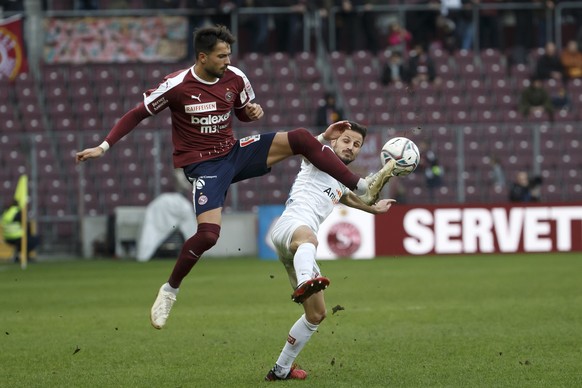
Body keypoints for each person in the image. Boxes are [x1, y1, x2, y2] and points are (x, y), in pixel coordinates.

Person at [74, 24, 393, 330]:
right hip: (203, 166)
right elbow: (135, 114)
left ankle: (362, 184)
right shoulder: (176, 86)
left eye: (229, 55)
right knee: (209, 235)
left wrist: (251, 112)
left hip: (234, 153)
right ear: (202, 57)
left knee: (299, 137)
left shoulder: (236, 78)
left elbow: (241, 111)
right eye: (222, 56)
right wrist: (104, 146)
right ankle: (170, 290)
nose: (228, 61)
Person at [265, 122, 396, 381]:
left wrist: (375, 209)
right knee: (309, 238)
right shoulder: (318, 155)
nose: (351, 147)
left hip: (296, 249)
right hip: (290, 227)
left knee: (316, 315)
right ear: (335, 141)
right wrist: (324, 134)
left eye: (356, 144)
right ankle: (306, 281)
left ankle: (280, 370)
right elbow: (304, 145)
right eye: (346, 140)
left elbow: (349, 197)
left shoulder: (339, 179)